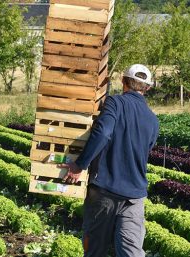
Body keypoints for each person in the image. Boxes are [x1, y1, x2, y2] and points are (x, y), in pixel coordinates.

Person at [59, 64, 159, 257]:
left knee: (95, 249)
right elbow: (146, 150)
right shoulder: (153, 120)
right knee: (131, 252)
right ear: (148, 88)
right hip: (135, 197)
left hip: (105, 192)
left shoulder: (115, 103)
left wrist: (80, 165)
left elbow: (103, 132)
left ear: (123, 81)